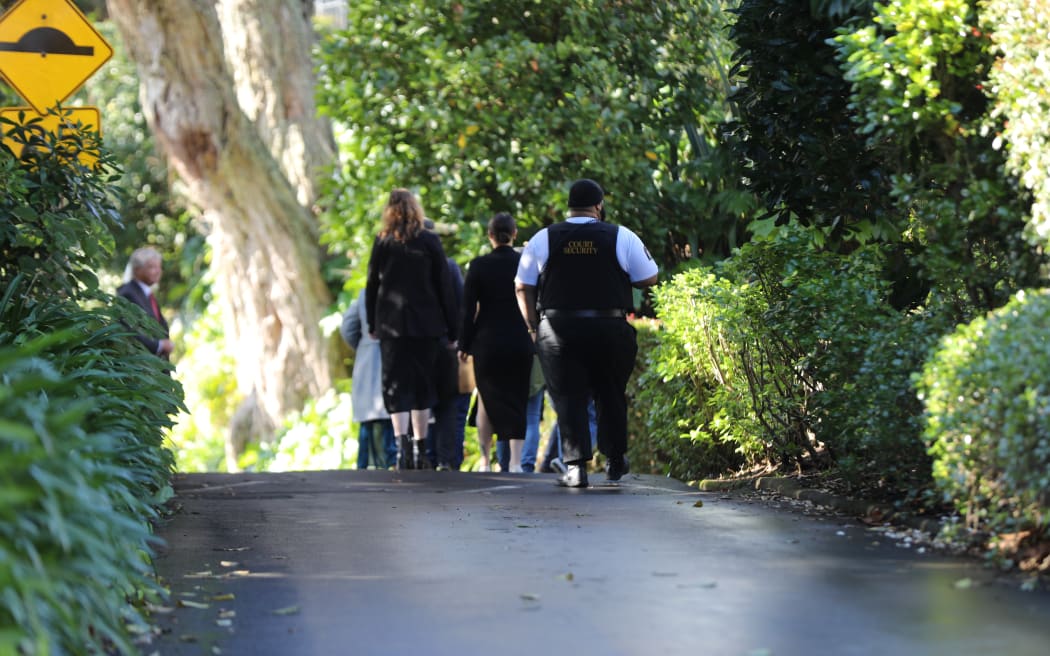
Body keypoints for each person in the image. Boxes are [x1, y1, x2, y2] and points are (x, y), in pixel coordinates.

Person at [515, 179, 658, 488]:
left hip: (557, 328)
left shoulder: (543, 238)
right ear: (599, 206)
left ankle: (576, 468)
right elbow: (650, 276)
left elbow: (521, 285)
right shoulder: (621, 235)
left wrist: (532, 327)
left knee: (568, 397)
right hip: (609, 327)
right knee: (611, 392)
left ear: (569, 206)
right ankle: (615, 460)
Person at [366, 189, 459, 470]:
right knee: (422, 385)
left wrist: (373, 322)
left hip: (391, 326)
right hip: (426, 326)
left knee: (395, 385)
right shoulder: (430, 241)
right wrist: (453, 329)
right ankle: (420, 449)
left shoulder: (382, 242)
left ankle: (401, 450)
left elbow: (372, 284)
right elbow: (444, 285)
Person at [459, 213, 534, 473]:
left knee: (486, 401)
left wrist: (464, 344)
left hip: (487, 342)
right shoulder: (524, 262)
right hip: (518, 340)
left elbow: (467, 310)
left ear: (490, 235)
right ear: (514, 234)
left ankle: (483, 461)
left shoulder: (478, 266)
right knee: (517, 397)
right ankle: (514, 462)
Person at [341, 289, 396, 469]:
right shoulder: (406, 289)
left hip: (369, 360)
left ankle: (368, 467)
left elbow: (348, 326)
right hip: (396, 359)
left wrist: (364, 345)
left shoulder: (365, 293)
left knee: (371, 425)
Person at [117, 247, 175, 360]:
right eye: (152, 267)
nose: (158, 271)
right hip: (143, 364)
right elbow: (129, 332)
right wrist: (159, 345)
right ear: (137, 270)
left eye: (159, 267)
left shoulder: (147, 293)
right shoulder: (128, 294)